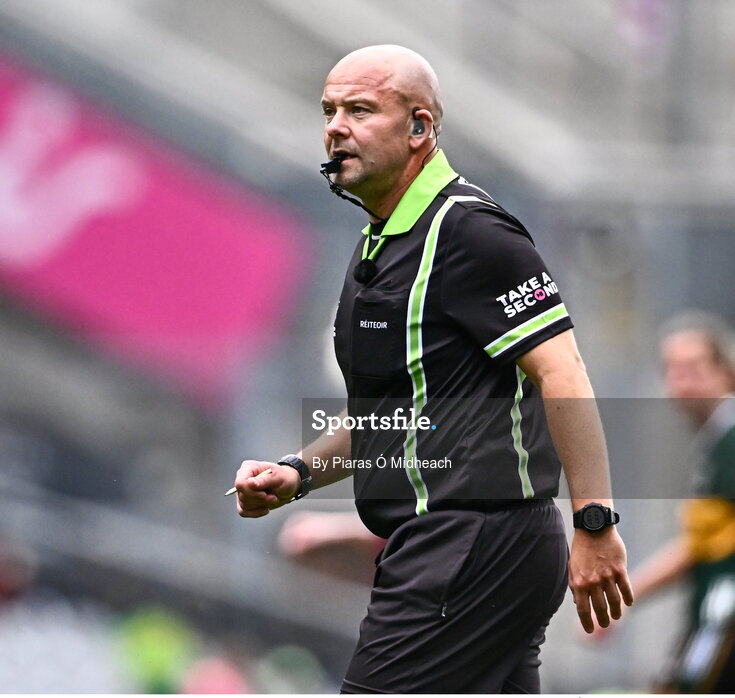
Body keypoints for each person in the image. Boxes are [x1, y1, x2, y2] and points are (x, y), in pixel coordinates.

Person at [233, 44, 632, 693]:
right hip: (456, 548)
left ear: (420, 128)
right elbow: (389, 422)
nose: (336, 127)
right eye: (330, 110)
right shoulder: (378, 245)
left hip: (470, 545)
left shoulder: (472, 233)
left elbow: (565, 374)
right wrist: (298, 473)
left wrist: (595, 523)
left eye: (361, 109)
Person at [627, 313, 735, 693]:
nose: (680, 382)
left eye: (692, 368)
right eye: (671, 370)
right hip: (720, 620)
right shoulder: (718, 444)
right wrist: (626, 594)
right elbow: (702, 547)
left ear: (727, 372)